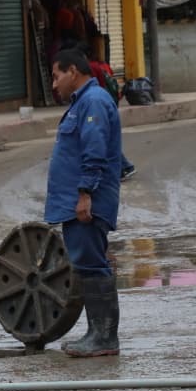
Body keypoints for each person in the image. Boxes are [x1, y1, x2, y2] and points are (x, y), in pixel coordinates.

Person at [46, 48, 122, 357]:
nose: (54, 84)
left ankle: (104, 338)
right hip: (79, 200)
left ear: (73, 72)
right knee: (88, 263)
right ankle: (97, 333)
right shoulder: (88, 102)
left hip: (86, 203)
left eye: (56, 76)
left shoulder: (92, 102)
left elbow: (94, 150)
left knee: (92, 265)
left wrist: (85, 193)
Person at [84, 47, 137, 181]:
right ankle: (124, 167)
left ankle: (125, 167)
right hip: (109, 103)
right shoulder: (102, 65)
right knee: (105, 137)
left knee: (102, 137)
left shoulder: (90, 68)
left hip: (98, 109)